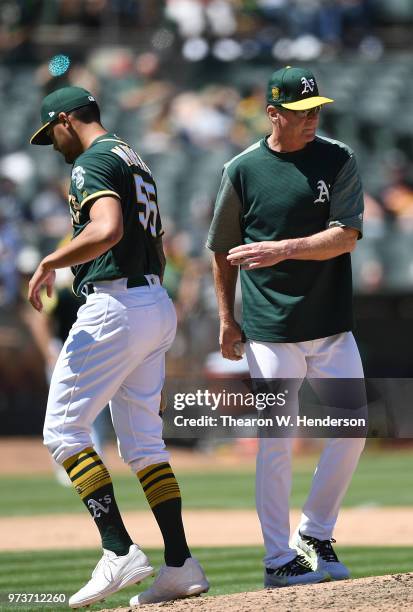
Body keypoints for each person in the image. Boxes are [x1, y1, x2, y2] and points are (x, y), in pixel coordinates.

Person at [29, 86, 208, 608]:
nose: (53, 144)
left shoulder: (92, 160)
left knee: (62, 430)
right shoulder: (132, 155)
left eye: (52, 133)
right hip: (152, 301)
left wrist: (50, 261)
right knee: (144, 446)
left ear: (66, 120)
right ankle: (180, 564)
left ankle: (118, 549)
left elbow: (106, 229)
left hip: (115, 305)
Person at [207, 66, 365, 588]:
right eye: (300, 112)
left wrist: (284, 248)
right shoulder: (243, 168)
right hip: (271, 329)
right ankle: (278, 558)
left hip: (332, 324)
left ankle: (315, 533)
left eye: (316, 108)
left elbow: (345, 236)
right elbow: (221, 252)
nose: (312, 117)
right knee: (277, 441)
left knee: (351, 430)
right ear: (272, 113)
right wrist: (228, 321)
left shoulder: (338, 157)